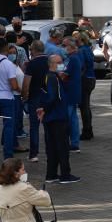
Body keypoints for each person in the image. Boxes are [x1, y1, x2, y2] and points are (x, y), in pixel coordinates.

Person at [37, 55, 80, 184]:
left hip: (51, 117)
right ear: (52, 64)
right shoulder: (52, 78)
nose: (62, 64)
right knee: (62, 146)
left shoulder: (49, 76)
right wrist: (44, 109)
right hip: (58, 116)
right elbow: (52, 97)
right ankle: (65, 175)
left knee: (52, 147)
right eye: (59, 62)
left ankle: (51, 174)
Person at [21, 41, 48, 163]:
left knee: (34, 126)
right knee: (49, 125)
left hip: (35, 97)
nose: (30, 52)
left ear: (35, 50)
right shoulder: (50, 61)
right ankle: (50, 151)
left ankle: (34, 154)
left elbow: (26, 83)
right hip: (48, 96)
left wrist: (24, 96)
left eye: (31, 50)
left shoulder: (32, 64)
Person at [60, 38, 82, 153]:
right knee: (73, 118)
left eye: (66, 46)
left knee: (68, 118)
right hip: (73, 91)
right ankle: (74, 143)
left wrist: (58, 76)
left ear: (72, 48)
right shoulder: (73, 58)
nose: (64, 48)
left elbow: (65, 74)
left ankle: (71, 142)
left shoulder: (72, 59)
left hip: (69, 92)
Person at [77, 33, 96, 141]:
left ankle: (87, 131)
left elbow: (81, 66)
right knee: (86, 106)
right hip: (91, 78)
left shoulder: (81, 50)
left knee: (84, 106)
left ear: (81, 40)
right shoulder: (88, 49)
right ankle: (89, 129)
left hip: (85, 79)